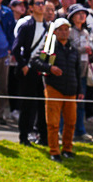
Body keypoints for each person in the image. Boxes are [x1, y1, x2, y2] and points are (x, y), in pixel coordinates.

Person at [32, 17, 83, 161]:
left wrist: (80, 90)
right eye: (60, 29)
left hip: (71, 90)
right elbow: (35, 61)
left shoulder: (73, 49)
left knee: (71, 122)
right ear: (54, 32)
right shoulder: (49, 47)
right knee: (53, 123)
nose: (64, 32)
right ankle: (54, 151)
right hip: (54, 88)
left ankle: (67, 149)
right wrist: (50, 68)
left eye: (66, 29)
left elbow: (78, 71)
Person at [13, 0, 50, 145]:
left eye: (43, 3)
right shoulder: (26, 26)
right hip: (28, 70)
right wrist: (23, 66)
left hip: (43, 71)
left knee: (43, 105)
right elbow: (15, 48)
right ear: (31, 7)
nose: (41, 6)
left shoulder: (49, 27)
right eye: (38, 3)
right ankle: (24, 137)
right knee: (27, 105)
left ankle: (43, 136)